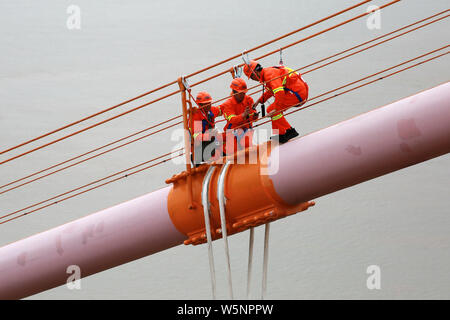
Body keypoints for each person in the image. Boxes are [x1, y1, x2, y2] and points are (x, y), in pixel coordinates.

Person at [243, 60, 308, 144]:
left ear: (254, 73)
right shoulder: (267, 73)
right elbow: (271, 91)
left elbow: (279, 93)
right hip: (297, 91)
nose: (253, 80)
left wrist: (276, 109)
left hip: (298, 93)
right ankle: (280, 134)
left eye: (251, 77)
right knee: (271, 110)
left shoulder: (269, 75)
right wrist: (259, 101)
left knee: (272, 110)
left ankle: (289, 131)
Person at [219, 78, 258, 154]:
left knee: (247, 145)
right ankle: (222, 150)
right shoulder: (228, 104)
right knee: (233, 150)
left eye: (244, 93)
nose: (243, 95)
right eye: (241, 93)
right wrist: (243, 115)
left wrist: (255, 116)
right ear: (234, 92)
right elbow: (232, 120)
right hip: (233, 130)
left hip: (246, 128)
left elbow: (253, 117)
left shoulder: (249, 100)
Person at [189, 91, 222, 166]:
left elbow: (222, 109)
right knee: (218, 146)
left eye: (210, 103)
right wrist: (210, 135)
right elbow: (197, 137)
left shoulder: (211, 111)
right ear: (200, 105)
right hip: (199, 147)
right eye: (206, 103)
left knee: (223, 141)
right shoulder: (196, 116)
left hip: (209, 141)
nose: (209, 105)